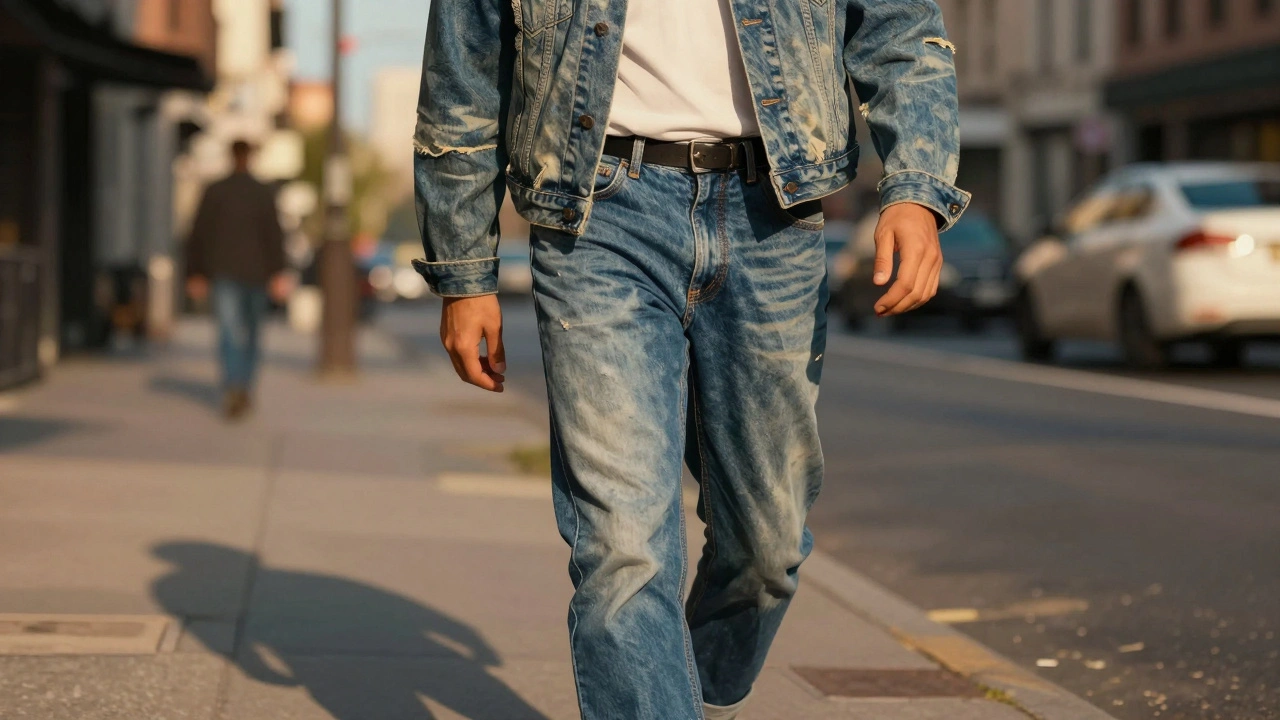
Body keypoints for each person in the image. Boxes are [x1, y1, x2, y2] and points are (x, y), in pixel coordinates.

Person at [414, 1, 969, 718]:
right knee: (623, 547)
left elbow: (899, 29)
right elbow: (462, 79)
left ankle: (674, 685)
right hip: (596, 212)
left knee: (767, 546)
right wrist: (465, 274)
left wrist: (916, 191)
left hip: (774, 207)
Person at [186, 140, 288, 420]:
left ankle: (235, 385)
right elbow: (275, 236)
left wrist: (195, 272)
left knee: (230, 333)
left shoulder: (216, 191)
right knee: (250, 334)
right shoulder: (262, 192)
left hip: (226, 272)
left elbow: (197, 232)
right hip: (253, 273)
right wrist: (278, 273)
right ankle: (242, 385)